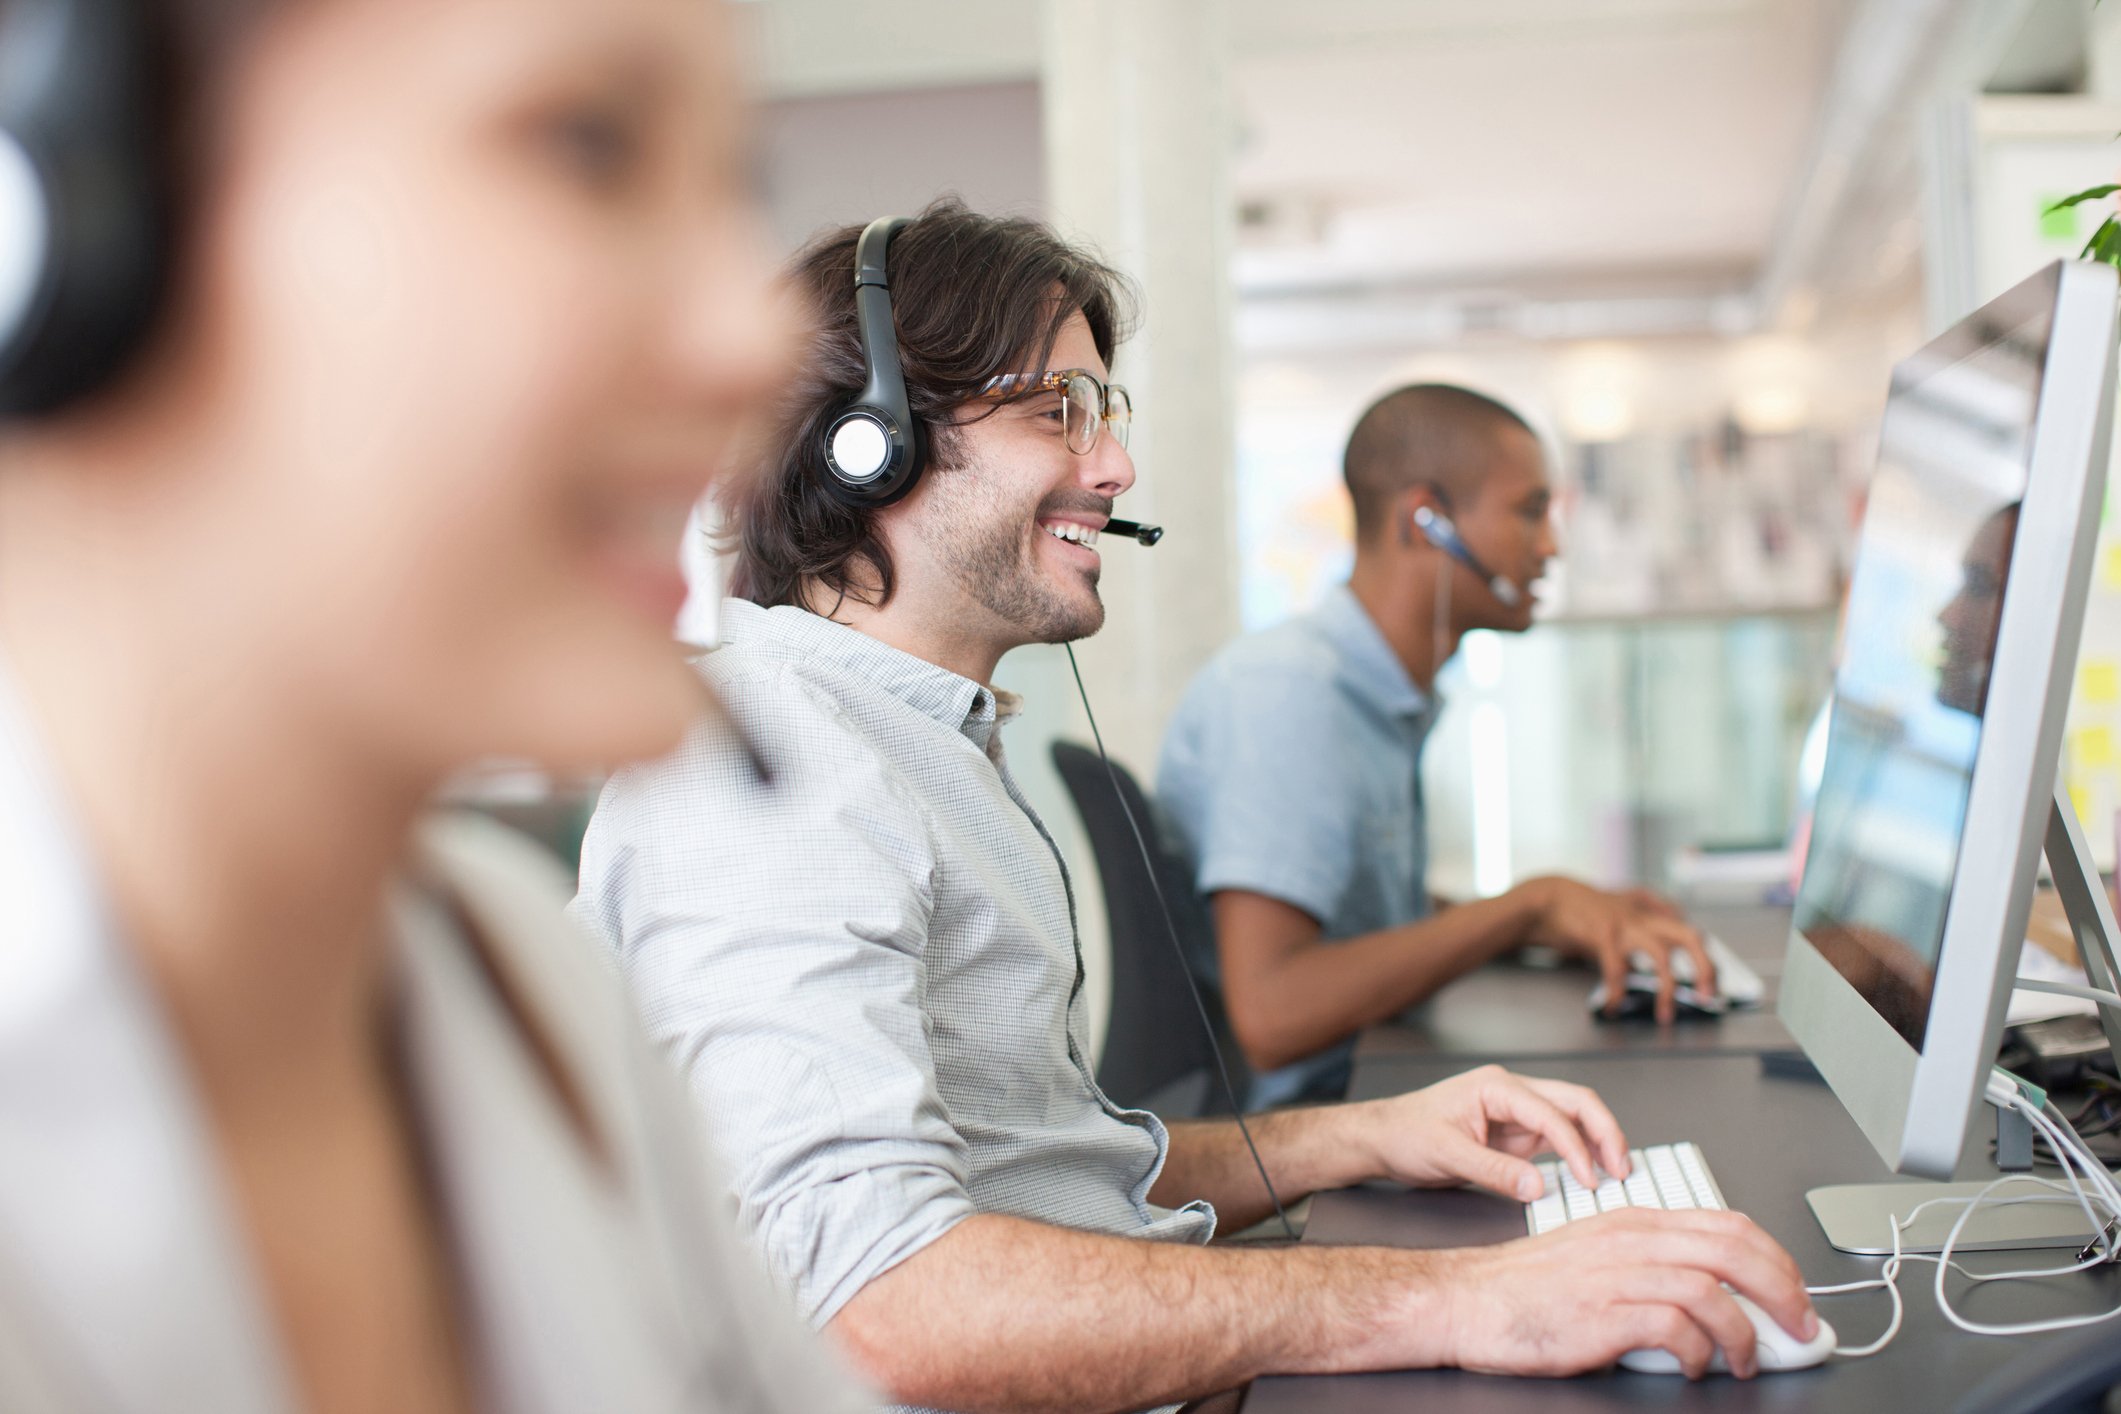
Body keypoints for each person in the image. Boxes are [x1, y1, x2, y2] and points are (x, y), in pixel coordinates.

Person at [572, 202, 1818, 1414]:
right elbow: (873, 1296)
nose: (1113, 465)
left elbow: (1052, 1165)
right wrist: (1457, 1300)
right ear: (872, 439)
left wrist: (1370, 1135)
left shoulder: (911, 743)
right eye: (1061, 412)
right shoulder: (760, 767)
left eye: (1103, 414)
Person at [0, 0, 868, 1410]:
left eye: (733, 185)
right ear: (61, 208)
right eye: (589, 144)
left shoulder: (525, 982)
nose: (754, 339)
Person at [1158, 384, 1719, 1106]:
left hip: (1369, 1082)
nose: (1550, 546)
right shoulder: (1291, 695)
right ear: (1424, 520)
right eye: (1529, 511)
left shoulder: (1372, 690)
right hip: (1309, 1130)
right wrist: (1527, 904)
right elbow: (1274, 1012)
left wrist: (1551, 923)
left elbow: (1369, 920)